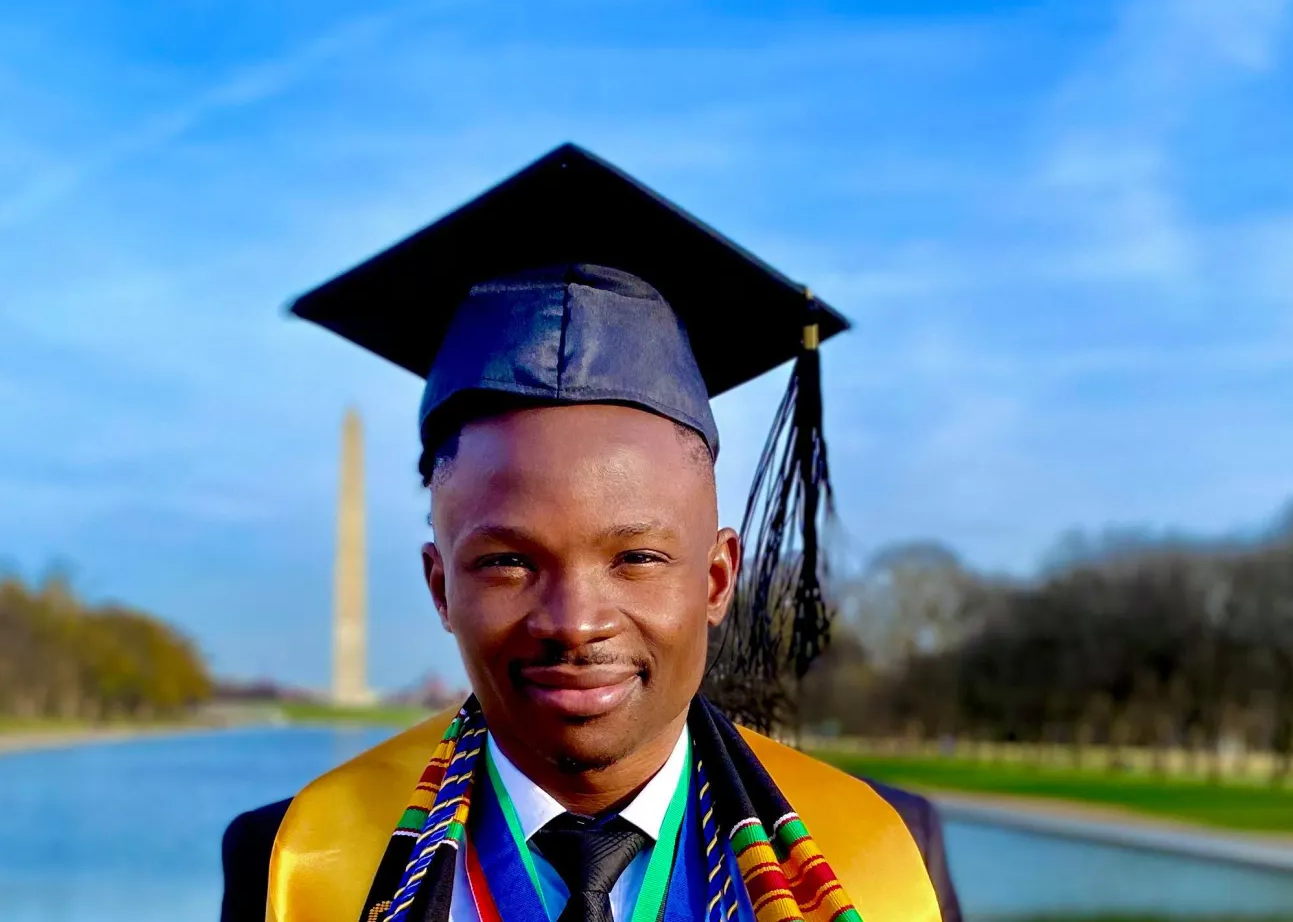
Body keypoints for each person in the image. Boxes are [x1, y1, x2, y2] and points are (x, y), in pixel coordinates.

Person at [221, 144, 963, 922]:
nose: (575, 622)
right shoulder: (294, 863)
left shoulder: (883, 856)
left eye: (636, 557)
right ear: (441, 587)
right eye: (508, 561)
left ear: (716, 579)